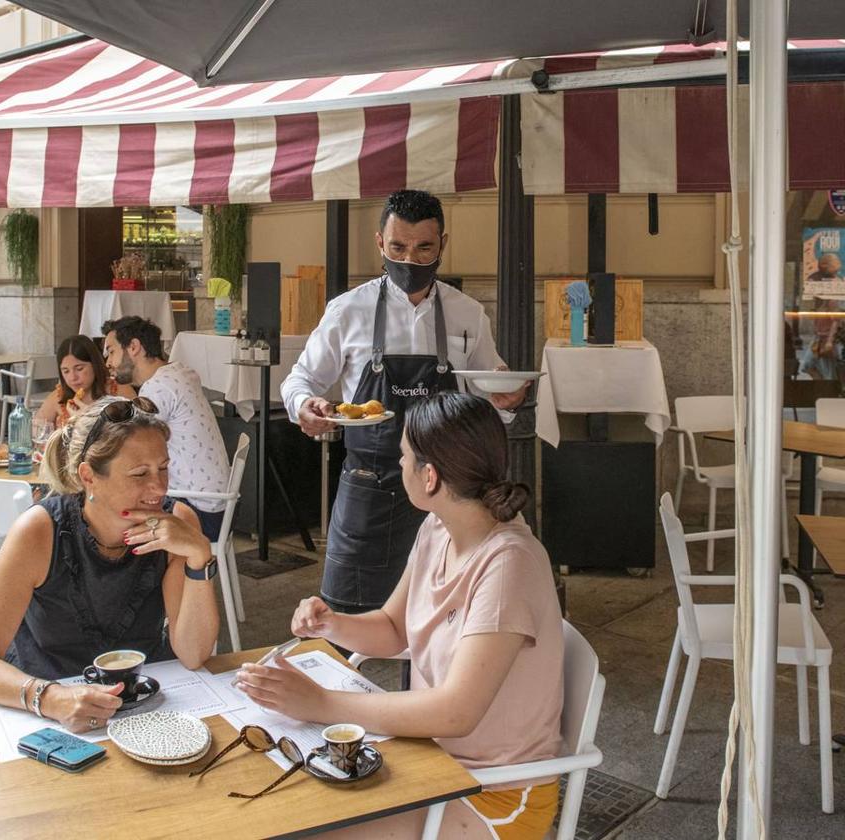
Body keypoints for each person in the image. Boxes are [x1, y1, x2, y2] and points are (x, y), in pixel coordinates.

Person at [236, 393, 563, 840]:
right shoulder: (439, 528)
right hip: (433, 760)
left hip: (493, 793)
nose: (400, 465)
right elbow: (393, 628)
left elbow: (455, 713)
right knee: (281, 812)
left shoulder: (508, 564)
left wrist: (319, 704)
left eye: (404, 457)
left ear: (429, 477)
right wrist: (331, 623)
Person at [280, 189, 527, 617]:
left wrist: (507, 400)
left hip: (452, 491)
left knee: (443, 619)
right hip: (369, 484)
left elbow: (493, 391)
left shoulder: (468, 314)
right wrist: (305, 404)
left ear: (442, 245)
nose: (410, 260)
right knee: (343, 615)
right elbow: (301, 379)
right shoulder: (347, 310)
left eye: (423, 248)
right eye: (398, 247)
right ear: (380, 243)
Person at [0, 395, 220, 732]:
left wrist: (198, 555)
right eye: (140, 474)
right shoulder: (40, 532)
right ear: (89, 476)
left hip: (140, 708)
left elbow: (193, 653)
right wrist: (51, 697)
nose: (159, 487)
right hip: (46, 710)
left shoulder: (177, 525)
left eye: (164, 468)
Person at [102, 316, 230, 542]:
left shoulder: (160, 387)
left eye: (111, 352)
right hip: (217, 506)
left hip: (198, 512)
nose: (107, 362)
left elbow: (127, 441)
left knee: (110, 509)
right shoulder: (178, 372)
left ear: (133, 347)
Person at [33, 335, 134, 427]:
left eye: (79, 369)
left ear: (94, 365)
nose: (73, 377)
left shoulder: (120, 392)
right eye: (66, 371)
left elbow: (140, 431)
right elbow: (36, 431)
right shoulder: (59, 398)